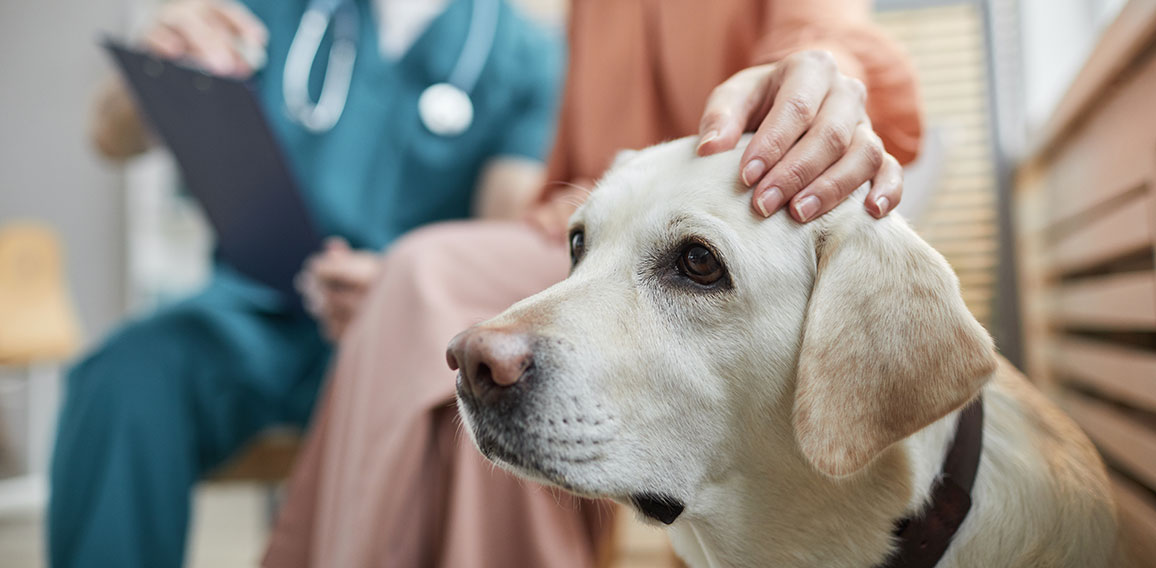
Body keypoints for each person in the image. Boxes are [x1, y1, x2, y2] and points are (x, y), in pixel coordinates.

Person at [261, 1, 922, 567]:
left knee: (429, 281)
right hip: (591, 253)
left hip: (732, 263)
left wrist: (821, 76)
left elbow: (824, 38)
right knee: (433, 303)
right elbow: (566, 195)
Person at [49, 1, 563, 567]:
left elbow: (500, 228)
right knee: (122, 377)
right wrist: (156, 62)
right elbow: (109, 136)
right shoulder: (275, 11)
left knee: (456, 428)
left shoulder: (526, 55)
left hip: (402, 337)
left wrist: (401, 286)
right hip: (251, 316)